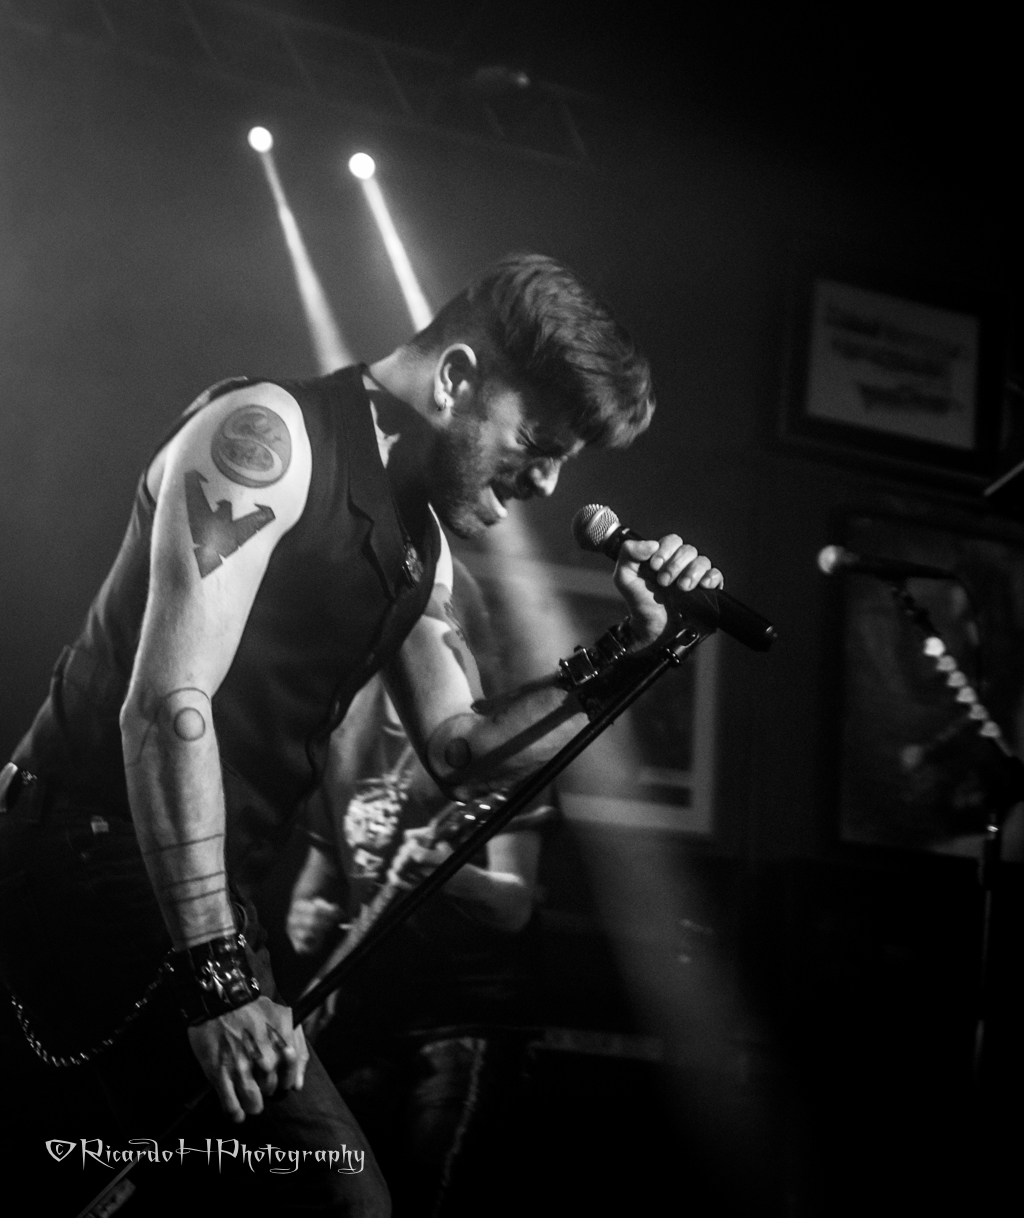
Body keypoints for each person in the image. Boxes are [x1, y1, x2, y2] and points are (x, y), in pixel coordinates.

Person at [0, 253, 723, 1215]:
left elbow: (463, 749)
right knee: (336, 1200)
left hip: (183, 887)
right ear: (457, 378)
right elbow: (170, 702)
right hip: (86, 852)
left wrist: (632, 651)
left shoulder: (422, 549)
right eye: (536, 440)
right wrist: (218, 977)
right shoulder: (268, 437)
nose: (548, 483)